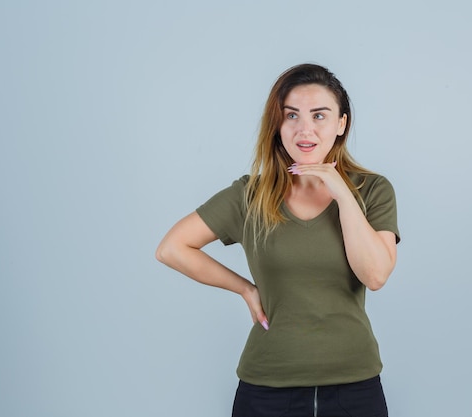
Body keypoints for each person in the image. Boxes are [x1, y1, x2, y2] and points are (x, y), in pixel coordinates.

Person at [156, 63, 400, 417]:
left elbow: (375, 275)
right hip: (268, 389)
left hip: (355, 387)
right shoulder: (249, 195)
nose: (305, 129)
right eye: (291, 116)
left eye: (319, 116)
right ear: (278, 125)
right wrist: (245, 288)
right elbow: (171, 248)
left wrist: (342, 194)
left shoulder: (372, 190)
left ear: (341, 124)